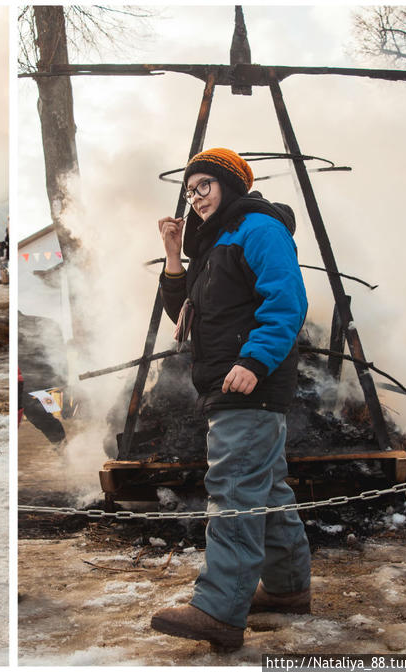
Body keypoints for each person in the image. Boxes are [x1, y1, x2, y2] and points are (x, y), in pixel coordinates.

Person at [149, 148, 311, 652]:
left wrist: (254, 361)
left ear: (230, 186)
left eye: (205, 186)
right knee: (266, 489)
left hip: (248, 384)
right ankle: (286, 589)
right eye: (190, 189)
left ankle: (219, 611)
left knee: (235, 489)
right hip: (229, 384)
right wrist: (175, 255)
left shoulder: (258, 228)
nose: (196, 197)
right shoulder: (217, 241)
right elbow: (186, 315)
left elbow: (288, 300)